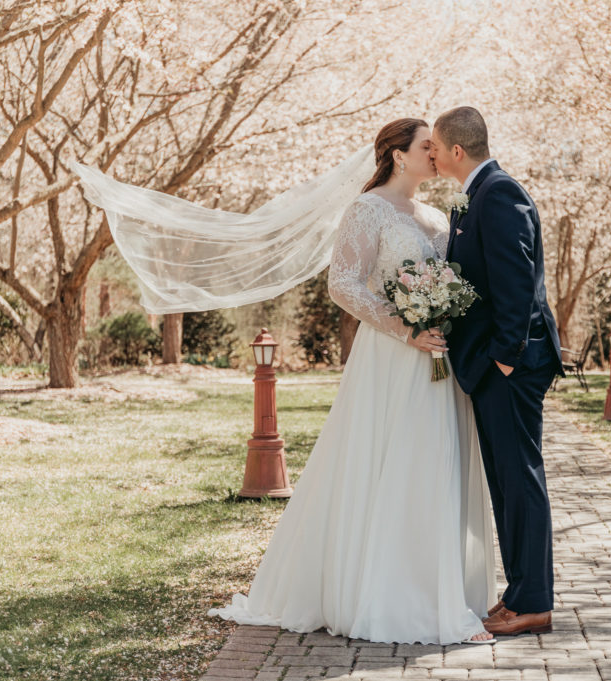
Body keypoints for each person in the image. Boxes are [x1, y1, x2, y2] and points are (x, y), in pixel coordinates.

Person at [203, 119, 496, 644]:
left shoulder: (436, 215)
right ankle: (396, 599)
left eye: (435, 146)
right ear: (398, 155)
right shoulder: (368, 209)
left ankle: (441, 591)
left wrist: (441, 317)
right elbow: (342, 284)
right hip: (391, 357)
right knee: (392, 463)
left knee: (434, 464)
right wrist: (406, 327)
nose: (435, 154)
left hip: (440, 359)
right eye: (425, 146)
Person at [430, 107, 563, 637]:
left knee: (520, 481)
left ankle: (532, 603)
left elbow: (517, 284)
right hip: (495, 366)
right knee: (507, 484)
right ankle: (518, 595)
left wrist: (504, 358)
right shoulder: (476, 195)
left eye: (436, 147)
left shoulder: (500, 194)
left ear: (457, 151)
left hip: (511, 366)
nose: (433, 155)